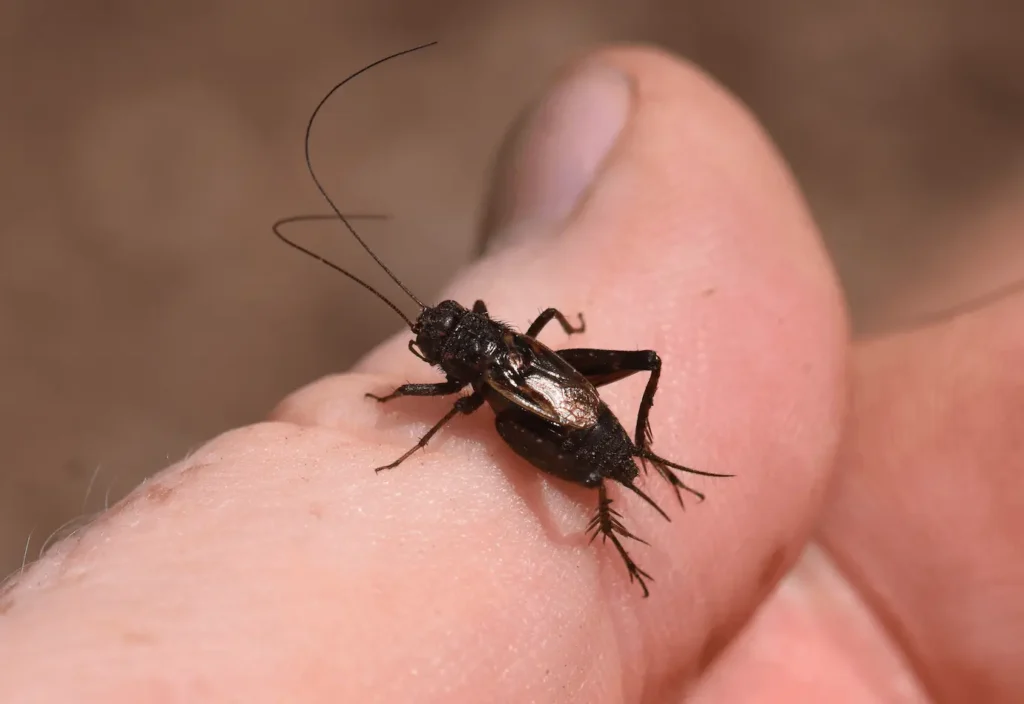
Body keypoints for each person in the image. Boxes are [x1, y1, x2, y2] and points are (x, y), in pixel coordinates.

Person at [0, 46, 1020, 702]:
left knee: (560, 419)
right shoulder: (489, 357)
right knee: (563, 421)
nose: (433, 355)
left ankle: (632, 473)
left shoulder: (464, 380)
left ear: (461, 343)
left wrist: (418, 413)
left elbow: (452, 409)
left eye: (437, 350)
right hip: (540, 386)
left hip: (541, 399)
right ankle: (633, 475)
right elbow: (484, 383)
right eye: (439, 350)